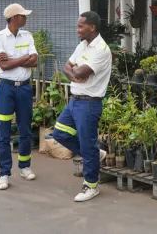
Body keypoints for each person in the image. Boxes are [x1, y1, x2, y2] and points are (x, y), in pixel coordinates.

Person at [53, 11, 112, 202]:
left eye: (81, 26)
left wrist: (77, 72)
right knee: (59, 133)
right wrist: (76, 74)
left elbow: (80, 70)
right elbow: (68, 67)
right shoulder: (82, 45)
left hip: (89, 103)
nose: (77, 29)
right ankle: (95, 154)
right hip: (75, 100)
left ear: (92, 27)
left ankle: (91, 186)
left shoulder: (101, 50)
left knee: (87, 146)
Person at [0, 3, 39, 190]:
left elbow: (34, 61)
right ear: (13, 18)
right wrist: (23, 59)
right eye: (22, 15)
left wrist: (14, 61)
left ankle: (25, 166)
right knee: (3, 131)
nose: (25, 18)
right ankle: (4, 173)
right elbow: (4, 66)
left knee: (25, 129)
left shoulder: (28, 36)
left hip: (25, 89)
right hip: (6, 89)